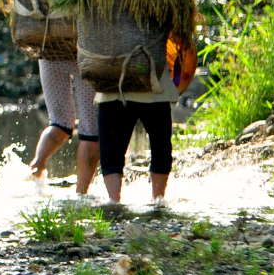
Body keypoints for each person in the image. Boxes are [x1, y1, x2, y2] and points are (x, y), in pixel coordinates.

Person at [97, 37, 196, 206]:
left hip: (112, 85)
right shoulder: (161, 12)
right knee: (160, 146)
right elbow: (185, 44)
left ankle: (114, 202)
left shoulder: (105, 13)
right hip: (155, 86)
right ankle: (158, 200)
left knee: (111, 151)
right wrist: (178, 87)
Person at [28, 58, 100, 195]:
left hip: (50, 54)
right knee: (90, 131)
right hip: (84, 54)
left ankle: (37, 163)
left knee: (60, 123)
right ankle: (81, 193)